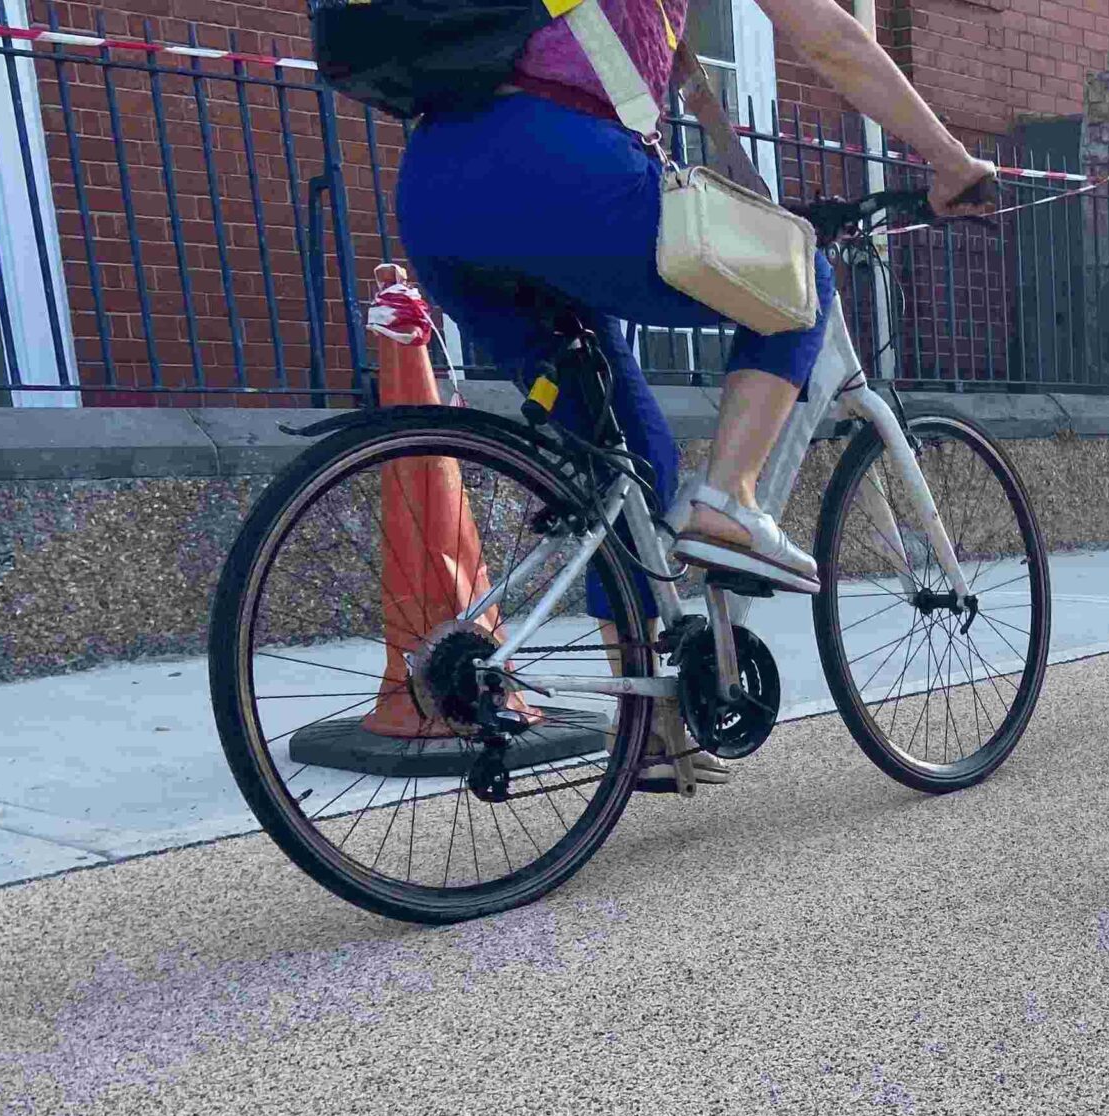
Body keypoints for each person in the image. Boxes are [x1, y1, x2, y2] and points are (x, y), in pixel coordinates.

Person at [394, 0, 997, 787]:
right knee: (799, 278)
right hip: (554, 166)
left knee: (626, 464)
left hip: (437, 191)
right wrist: (951, 162)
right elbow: (836, 40)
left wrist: (749, 188)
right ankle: (730, 499)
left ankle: (647, 731)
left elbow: (693, 99)